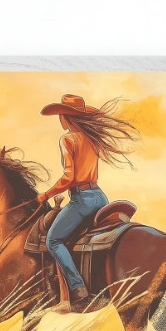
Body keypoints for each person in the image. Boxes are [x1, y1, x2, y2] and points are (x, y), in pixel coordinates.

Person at [36, 92, 138, 311]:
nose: (60, 119)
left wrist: (45, 195)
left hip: (81, 200)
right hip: (100, 197)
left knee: (53, 240)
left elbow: (68, 178)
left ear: (65, 117)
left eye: (61, 115)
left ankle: (78, 288)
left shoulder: (68, 139)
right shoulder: (92, 138)